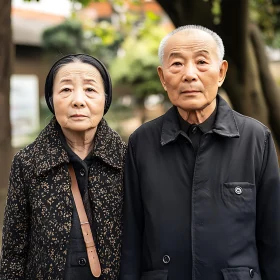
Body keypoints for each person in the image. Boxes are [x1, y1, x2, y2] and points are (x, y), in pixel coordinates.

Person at [120, 25, 280, 280]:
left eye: (202, 62)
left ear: (221, 72)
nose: (190, 75)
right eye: (177, 65)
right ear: (163, 77)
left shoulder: (255, 139)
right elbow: (131, 237)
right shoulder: (142, 142)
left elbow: (273, 238)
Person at [0, 54, 126, 280]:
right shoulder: (27, 163)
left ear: (105, 99)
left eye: (90, 90)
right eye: (66, 90)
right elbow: (13, 252)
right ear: (51, 99)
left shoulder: (128, 160)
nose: (78, 100)